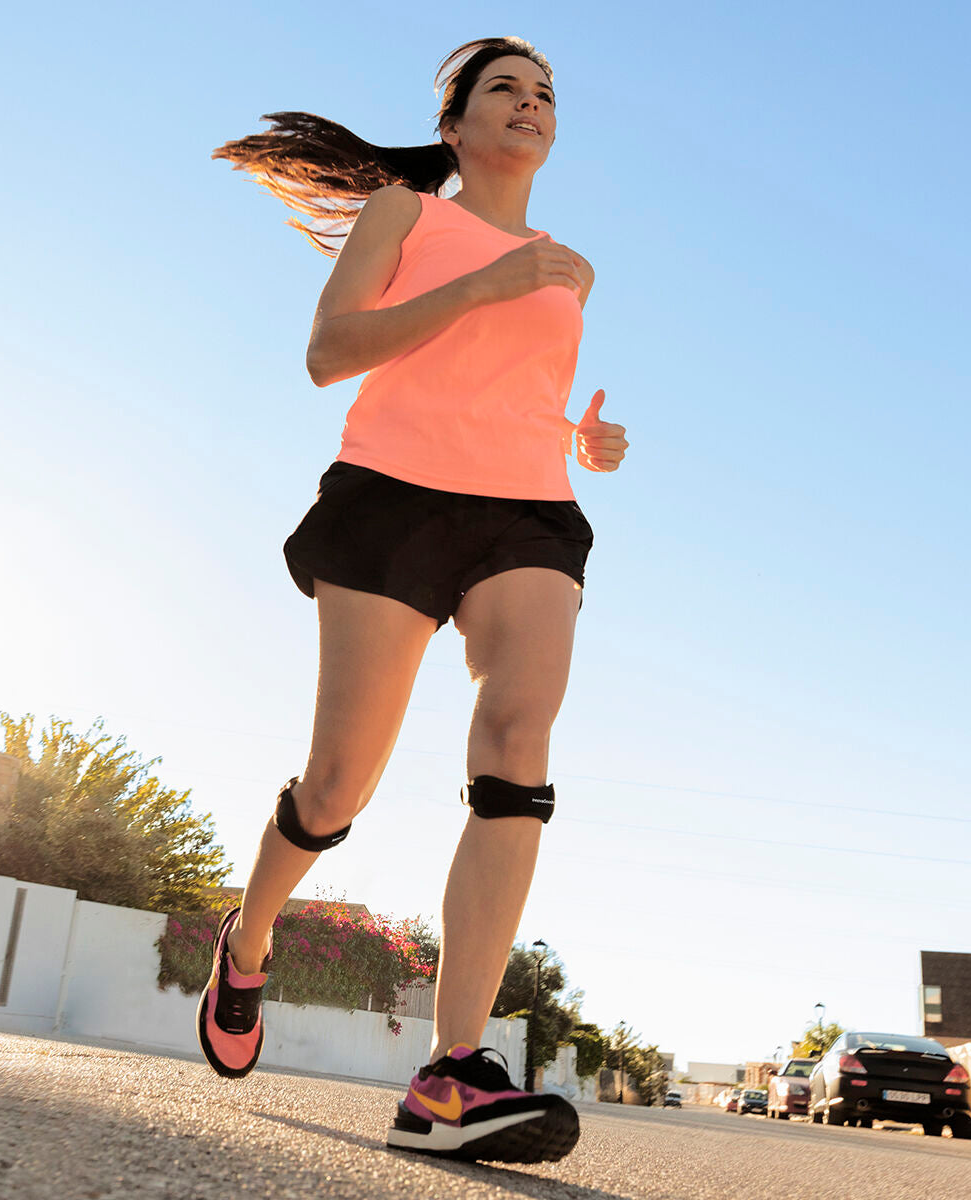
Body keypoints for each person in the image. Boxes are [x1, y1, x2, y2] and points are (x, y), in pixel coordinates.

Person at [202, 35, 629, 1164]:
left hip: (526, 511)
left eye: (545, 93)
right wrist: (483, 283)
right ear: (454, 125)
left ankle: (451, 1075)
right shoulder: (404, 213)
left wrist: (583, 443)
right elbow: (330, 353)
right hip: (392, 498)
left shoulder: (572, 267)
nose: (531, 105)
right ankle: (248, 943)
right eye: (505, 88)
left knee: (517, 739)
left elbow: (518, 393)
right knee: (340, 785)